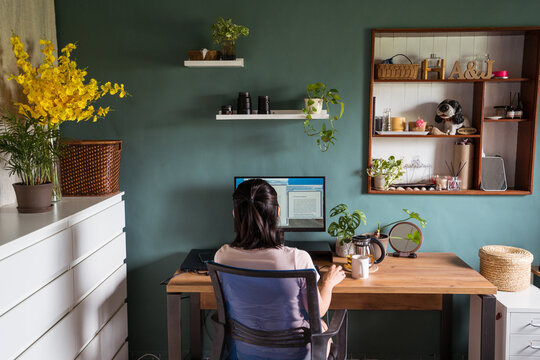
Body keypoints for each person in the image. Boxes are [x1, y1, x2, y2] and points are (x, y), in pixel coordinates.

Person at [214, 178, 346, 333]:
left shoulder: (222, 257)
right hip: (297, 354)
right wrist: (328, 283)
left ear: (235, 214)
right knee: (321, 325)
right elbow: (318, 311)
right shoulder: (298, 259)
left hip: (246, 350)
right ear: (277, 212)